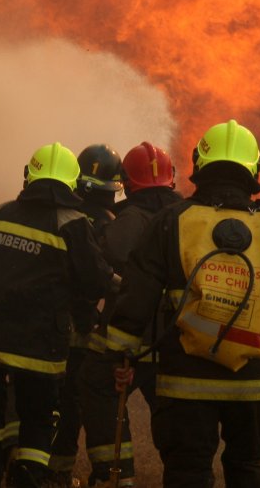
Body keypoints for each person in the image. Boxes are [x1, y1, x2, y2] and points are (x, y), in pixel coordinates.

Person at [100, 120, 260, 487]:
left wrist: (120, 355)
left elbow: (136, 296)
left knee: (188, 469)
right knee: (249, 464)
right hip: (253, 380)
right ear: (254, 169)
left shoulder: (173, 222)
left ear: (198, 166)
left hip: (186, 382)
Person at [0, 142, 115, 488]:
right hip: (39, 347)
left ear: (29, 175)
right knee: (38, 416)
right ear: (73, 184)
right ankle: (27, 477)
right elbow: (95, 280)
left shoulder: (0, 212)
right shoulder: (72, 223)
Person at [80, 141, 183, 487]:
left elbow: (101, 262)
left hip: (130, 336)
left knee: (97, 384)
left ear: (127, 181)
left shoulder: (129, 221)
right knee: (174, 411)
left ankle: (116, 476)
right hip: (176, 340)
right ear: (171, 179)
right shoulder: (189, 215)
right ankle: (184, 475)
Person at [46, 144, 123, 487]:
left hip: (46, 327)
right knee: (73, 404)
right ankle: (60, 473)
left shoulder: (59, 215)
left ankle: (37, 468)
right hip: (83, 332)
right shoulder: (108, 224)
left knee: (42, 399)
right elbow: (102, 279)